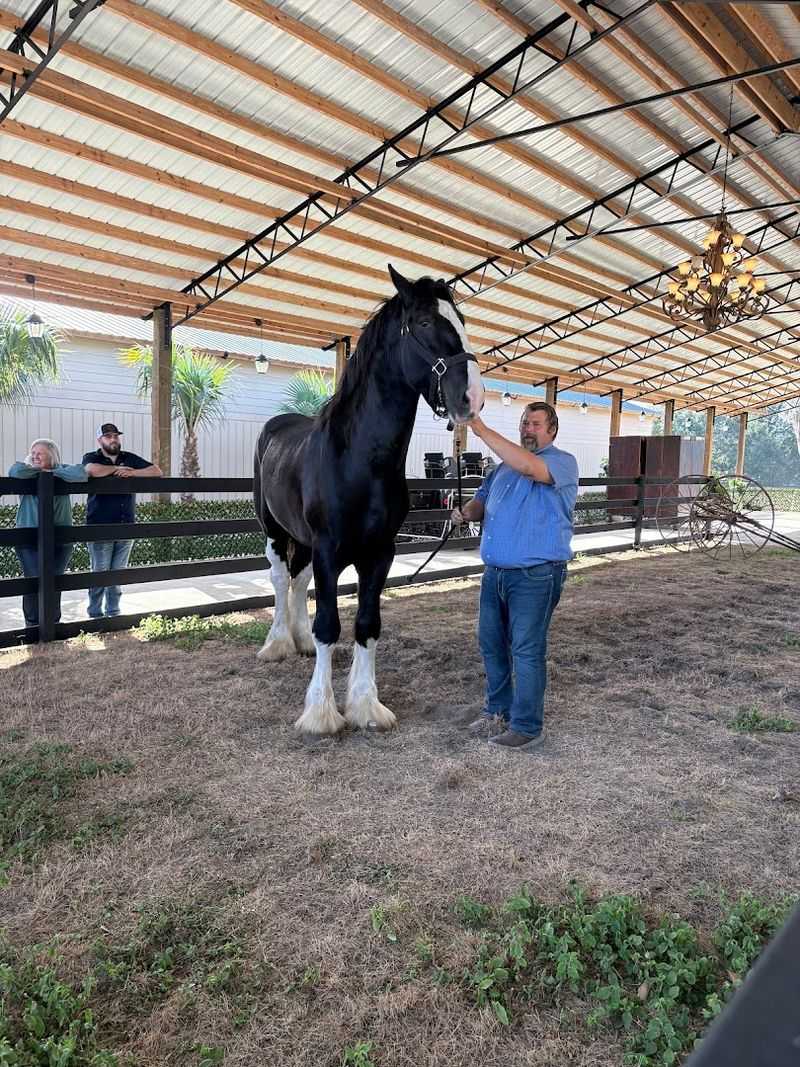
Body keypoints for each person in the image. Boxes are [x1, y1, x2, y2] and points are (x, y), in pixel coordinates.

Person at [452, 402, 579, 751]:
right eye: (524, 423)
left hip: (535, 576)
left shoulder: (561, 462)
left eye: (536, 424)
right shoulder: (500, 471)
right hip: (495, 574)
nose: (528, 429)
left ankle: (527, 726)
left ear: (552, 430)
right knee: (492, 644)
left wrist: (479, 428)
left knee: (525, 650)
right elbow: (482, 502)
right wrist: (467, 513)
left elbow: (530, 467)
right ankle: (498, 710)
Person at [82, 423, 162, 618]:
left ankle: (114, 613)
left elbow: (156, 471)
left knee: (118, 573)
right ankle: (95, 614)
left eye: (116, 436)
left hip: (126, 525)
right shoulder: (92, 457)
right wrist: (116, 469)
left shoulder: (130, 458)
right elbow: (92, 470)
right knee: (100, 572)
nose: (113, 439)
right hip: (100, 525)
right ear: (100, 440)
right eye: (108, 436)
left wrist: (133, 472)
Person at [8, 439, 87, 628]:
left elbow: (81, 473)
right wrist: (43, 471)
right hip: (28, 539)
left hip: (61, 540)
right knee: (34, 581)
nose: (35, 456)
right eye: (32, 452)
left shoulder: (63, 472)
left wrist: (52, 471)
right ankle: (33, 625)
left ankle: (52, 624)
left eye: (40, 453)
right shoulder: (28, 473)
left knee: (55, 582)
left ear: (52, 456)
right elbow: (14, 471)